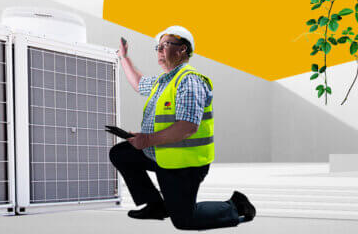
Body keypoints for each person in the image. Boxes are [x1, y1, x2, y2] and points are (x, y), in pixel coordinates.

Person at [109, 25, 256, 230]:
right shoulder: (164, 81)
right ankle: (157, 206)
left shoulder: (189, 81)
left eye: (165, 45)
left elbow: (187, 127)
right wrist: (123, 57)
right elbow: (139, 82)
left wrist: (146, 139)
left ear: (182, 49)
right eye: (158, 47)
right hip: (161, 154)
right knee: (121, 153)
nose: (159, 51)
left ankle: (236, 205)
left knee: (185, 221)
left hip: (184, 164)